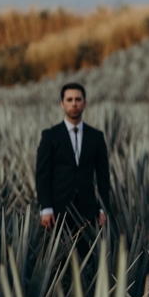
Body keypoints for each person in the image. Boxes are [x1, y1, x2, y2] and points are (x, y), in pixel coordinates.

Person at [36, 82, 110, 232]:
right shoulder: (50, 136)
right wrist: (46, 208)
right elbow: (42, 174)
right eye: (69, 100)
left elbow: (103, 176)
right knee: (60, 255)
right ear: (62, 104)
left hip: (88, 211)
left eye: (78, 99)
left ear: (85, 103)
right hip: (58, 211)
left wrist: (103, 209)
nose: (74, 104)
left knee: (87, 254)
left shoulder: (96, 137)